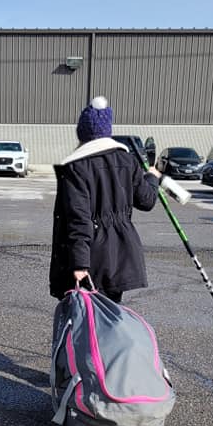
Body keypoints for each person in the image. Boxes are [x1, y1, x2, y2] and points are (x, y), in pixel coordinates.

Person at [49, 96, 161, 303]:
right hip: (119, 256)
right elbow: (147, 200)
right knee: (108, 313)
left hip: (92, 258)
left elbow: (79, 218)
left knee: (87, 317)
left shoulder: (76, 167)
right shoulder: (128, 161)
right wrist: (152, 178)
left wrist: (80, 264)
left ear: (82, 134)